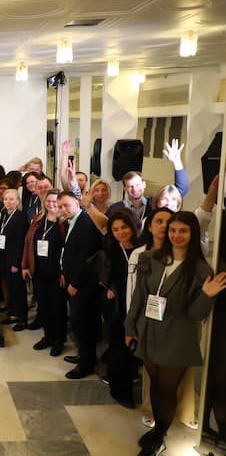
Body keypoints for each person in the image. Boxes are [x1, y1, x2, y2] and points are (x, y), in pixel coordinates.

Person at [125, 211, 226, 456]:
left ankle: (160, 435)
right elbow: (138, 297)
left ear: (193, 234)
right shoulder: (150, 258)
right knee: (155, 386)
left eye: (183, 231)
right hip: (149, 331)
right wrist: (130, 327)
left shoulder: (200, 270)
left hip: (177, 338)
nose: (176, 235)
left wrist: (207, 295)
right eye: (173, 230)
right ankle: (158, 430)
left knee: (167, 391)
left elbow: (195, 315)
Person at [94, 209, 140, 408]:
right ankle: (120, 391)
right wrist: (110, 287)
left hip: (137, 304)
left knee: (132, 350)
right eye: (116, 229)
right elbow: (105, 276)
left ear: (133, 227)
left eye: (124, 227)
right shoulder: (111, 250)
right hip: (117, 305)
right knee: (118, 347)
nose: (121, 232)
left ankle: (129, 381)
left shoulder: (142, 249)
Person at [58, 190, 102, 379]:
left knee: (81, 323)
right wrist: (64, 273)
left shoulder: (86, 222)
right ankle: (84, 356)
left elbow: (86, 258)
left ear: (77, 203)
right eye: (60, 206)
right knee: (78, 323)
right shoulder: (72, 221)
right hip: (73, 279)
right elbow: (69, 252)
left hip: (84, 284)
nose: (63, 209)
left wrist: (75, 283)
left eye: (66, 205)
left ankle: (86, 364)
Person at [21, 189, 66, 356]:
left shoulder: (64, 222)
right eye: (48, 201)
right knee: (44, 306)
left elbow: (67, 249)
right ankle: (48, 337)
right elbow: (28, 242)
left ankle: (59, 340)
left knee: (57, 308)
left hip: (56, 274)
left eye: (55, 201)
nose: (51, 204)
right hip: (38, 271)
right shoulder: (38, 220)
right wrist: (25, 265)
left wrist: (64, 272)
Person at [0, 189, 29, 329]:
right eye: (5, 199)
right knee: (11, 287)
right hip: (5, 256)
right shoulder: (5, 214)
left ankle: (22, 317)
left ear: (17, 201)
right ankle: (15, 312)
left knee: (18, 289)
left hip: (15, 258)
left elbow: (21, 242)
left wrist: (16, 263)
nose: (8, 202)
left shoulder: (21, 216)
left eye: (11, 199)